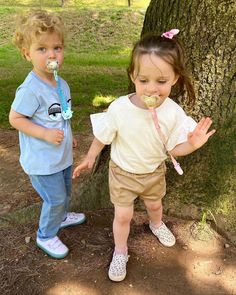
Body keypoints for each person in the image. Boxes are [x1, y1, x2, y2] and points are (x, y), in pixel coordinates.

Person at [72, 29, 215, 281]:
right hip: (122, 173)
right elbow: (103, 136)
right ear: (132, 77)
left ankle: (156, 224)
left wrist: (192, 144)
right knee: (123, 215)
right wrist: (90, 157)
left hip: (153, 172)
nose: (152, 89)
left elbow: (173, 150)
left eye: (161, 82)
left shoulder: (173, 113)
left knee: (154, 204)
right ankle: (120, 251)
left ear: (174, 79)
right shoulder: (119, 108)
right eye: (143, 80)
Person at [9, 10, 85, 259]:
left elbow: (61, 114)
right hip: (42, 161)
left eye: (57, 47)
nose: (51, 54)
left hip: (60, 156)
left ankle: (61, 217)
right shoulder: (31, 88)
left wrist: (68, 133)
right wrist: (43, 133)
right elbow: (16, 119)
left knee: (65, 191)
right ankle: (46, 235)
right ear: (26, 53)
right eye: (42, 49)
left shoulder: (61, 83)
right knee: (54, 198)